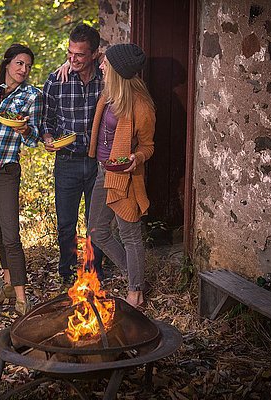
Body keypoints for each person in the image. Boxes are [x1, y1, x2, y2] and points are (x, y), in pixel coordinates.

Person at [87, 43, 155, 308]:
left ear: (117, 70)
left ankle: (136, 290)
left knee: (130, 235)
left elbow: (148, 146)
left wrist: (135, 158)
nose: (101, 65)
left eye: (105, 63)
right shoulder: (108, 95)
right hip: (103, 172)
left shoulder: (141, 105)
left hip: (125, 176)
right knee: (97, 230)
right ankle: (135, 274)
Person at [0, 44, 42, 315]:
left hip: (5, 170)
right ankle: (6, 284)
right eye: (19, 63)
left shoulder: (32, 96)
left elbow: (35, 137)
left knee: (11, 235)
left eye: (27, 65)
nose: (23, 70)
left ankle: (21, 297)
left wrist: (25, 128)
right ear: (7, 64)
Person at [41, 24, 105, 284]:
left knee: (96, 224)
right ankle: (67, 271)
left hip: (97, 163)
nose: (73, 59)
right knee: (66, 224)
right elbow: (47, 120)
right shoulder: (56, 79)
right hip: (66, 161)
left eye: (79, 54)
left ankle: (93, 270)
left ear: (94, 54)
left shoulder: (106, 77)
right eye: (70, 53)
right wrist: (47, 138)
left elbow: (121, 59)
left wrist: (104, 59)